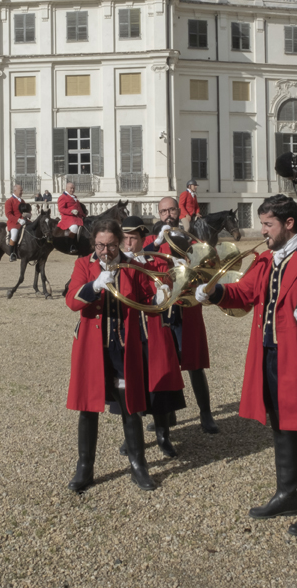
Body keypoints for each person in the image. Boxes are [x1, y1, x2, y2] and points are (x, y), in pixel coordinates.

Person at [197, 194, 297, 536]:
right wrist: (217, 293)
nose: (263, 230)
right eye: (263, 223)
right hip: (269, 353)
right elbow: (245, 294)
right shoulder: (265, 258)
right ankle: (287, 494)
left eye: (268, 224)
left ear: (289, 224)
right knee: (280, 426)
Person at [65, 219, 162, 493]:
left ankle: (138, 465)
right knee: (87, 407)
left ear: (119, 242)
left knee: (130, 405)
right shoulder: (84, 264)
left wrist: (160, 297)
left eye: (109, 245)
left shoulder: (132, 266)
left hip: (122, 348)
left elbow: (147, 300)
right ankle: (85, 467)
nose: (104, 251)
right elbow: (72, 301)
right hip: (92, 349)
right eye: (99, 245)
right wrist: (93, 286)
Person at [144, 197, 219, 434]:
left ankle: (205, 413)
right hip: (163, 307)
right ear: (159, 213)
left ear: (178, 211)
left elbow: (209, 264)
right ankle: (169, 412)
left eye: (171, 209)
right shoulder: (152, 240)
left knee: (194, 363)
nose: (168, 214)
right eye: (163, 211)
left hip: (187, 306)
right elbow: (137, 256)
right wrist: (157, 242)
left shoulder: (192, 239)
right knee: (165, 362)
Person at [120, 216, 185, 458]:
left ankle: (163, 436)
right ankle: (132, 437)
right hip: (129, 328)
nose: (128, 243)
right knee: (130, 384)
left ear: (141, 239)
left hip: (155, 327)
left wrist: (167, 287)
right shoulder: (118, 265)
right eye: (125, 238)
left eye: (132, 238)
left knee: (161, 384)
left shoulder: (154, 262)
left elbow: (167, 284)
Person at [4, 184, 25, 262]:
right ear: (15, 190)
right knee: (14, 234)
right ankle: (12, 253)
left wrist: (28, 214)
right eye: (21, 190)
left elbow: (26, 210)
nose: (22, 192)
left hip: (23, 221)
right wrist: (18, 220)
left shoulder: (22, 201)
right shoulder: (9, 201)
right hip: (14, 223)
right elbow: (8, 214)